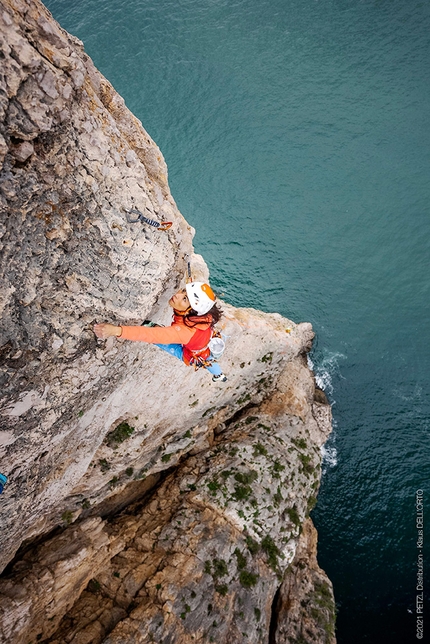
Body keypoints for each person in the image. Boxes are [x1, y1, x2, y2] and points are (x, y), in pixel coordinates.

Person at [94, 282, 227, 382]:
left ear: (191, 311)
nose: (177, 295)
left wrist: (116, 330)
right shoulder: (200, 314)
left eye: (185, 299)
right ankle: (219, 375)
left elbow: (149, 335)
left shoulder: (183, 332)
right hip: (205, 341)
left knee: (159, 339)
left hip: (194, 352)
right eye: (183, 291)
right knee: (209, 360)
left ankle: (218, 375)